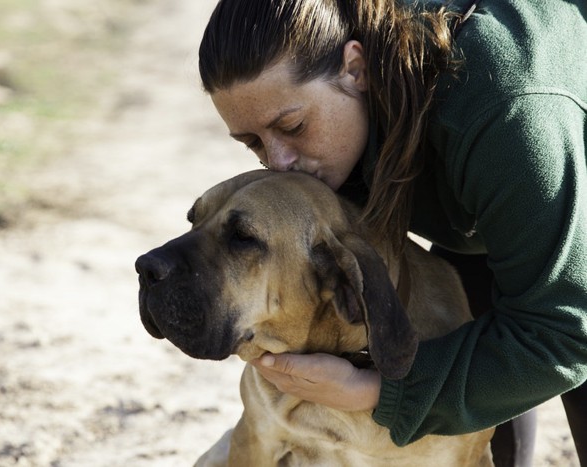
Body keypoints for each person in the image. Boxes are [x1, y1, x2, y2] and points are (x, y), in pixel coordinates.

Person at [197, 0, 587, 466]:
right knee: (471, 383)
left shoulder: (510, 111)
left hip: (546, 173)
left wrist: (375, 391)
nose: (279, 163)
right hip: (488, 191)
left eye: (292, 126)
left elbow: (565, 332)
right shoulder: (344, 122)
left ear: (355, 68)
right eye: (254, 142)